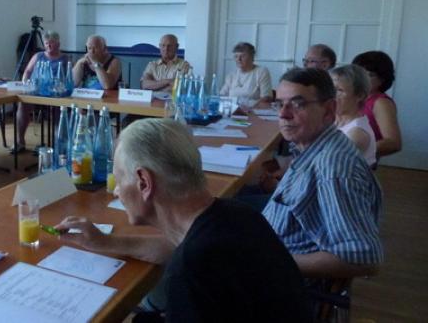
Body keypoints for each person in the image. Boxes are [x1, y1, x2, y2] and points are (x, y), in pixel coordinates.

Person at [56, 118, 310, 322]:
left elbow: (190, 256)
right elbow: (181, 246)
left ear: (144, 182)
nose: (116, 191)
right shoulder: (236, 215)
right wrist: (105, 242)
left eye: (119, 179)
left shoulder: (191, 272)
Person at [263, 68, 383, 282]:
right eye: (280, 104)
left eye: (298, 104)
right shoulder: (313, 144)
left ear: (329, 110)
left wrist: (270, 262)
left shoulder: (333, 169)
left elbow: (365, 257)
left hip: (280, 281)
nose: (283, 114)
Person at [13, 31, 69, 153]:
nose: (49, 46)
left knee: (59, 109)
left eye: (51, 43)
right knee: (23, 105)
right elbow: (27, 71)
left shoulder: (65, 58)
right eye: (46, 43)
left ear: (58, 44)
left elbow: (70, 77)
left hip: (56, 93)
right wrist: (25, 83)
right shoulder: (38, 56)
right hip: (36, 90)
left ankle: (58, 143)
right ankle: (20, 141)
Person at [352, 51, 401, 157]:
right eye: (359, 73)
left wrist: (352, 152)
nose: (361, 79)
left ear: (382, 79)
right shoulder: (352, 97)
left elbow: (393, 143)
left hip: (358, 161)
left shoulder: (381, 103)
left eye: (370, 75)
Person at [330, 64, 377, 166]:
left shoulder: (356, 134)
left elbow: (329, 165)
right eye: (330, 89)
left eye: (339, 90)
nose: (331, 95)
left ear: (360, 96)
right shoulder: (331, 122)